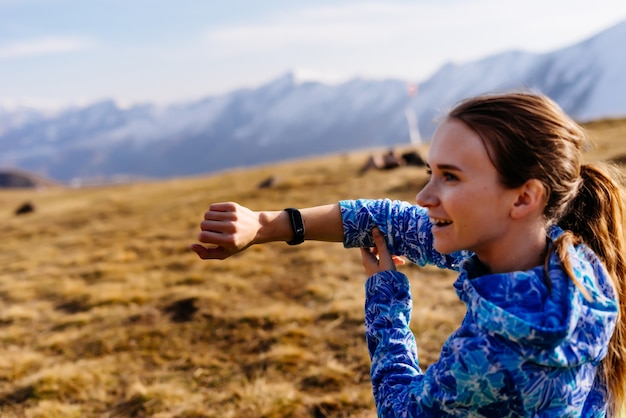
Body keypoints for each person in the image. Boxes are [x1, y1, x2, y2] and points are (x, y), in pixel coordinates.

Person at [190, 92, 626, 417]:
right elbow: (390, 220)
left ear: (523, 198)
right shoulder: (569, 258)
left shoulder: (495, 355)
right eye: (430, 173)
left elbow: (402, 409)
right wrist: (266, 224)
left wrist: (386, 300)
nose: (424, 196)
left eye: (450, 177)